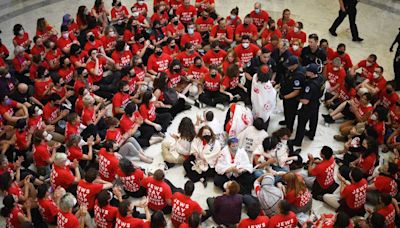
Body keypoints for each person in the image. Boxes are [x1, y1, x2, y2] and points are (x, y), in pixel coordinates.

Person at [290, 63, 324, 147]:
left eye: (307, 71)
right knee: (314, 120)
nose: (306, 72)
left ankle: (297, 141)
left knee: (301, 124)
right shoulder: (321, 78)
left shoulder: (310, 86)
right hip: (316, 103)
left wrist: (297, 99)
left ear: (312, 73)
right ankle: (311, 134)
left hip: (308, 106)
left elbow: (305, 101)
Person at [279, 56, 305, 132]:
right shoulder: (291, 70)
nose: (287, 67)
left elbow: (296, 92)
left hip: (292, 99)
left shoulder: (298, 75)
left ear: (295, 65)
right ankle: (286, 121)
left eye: (289, 65)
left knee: (291, 113)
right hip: (286, 94)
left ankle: (289, 128)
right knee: (286, 111)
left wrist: (285, 97)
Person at [250, 65, 277, 131]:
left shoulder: (254, 77)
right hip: (264, 108)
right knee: (264, 120)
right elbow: (272, 95)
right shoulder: (268, 85)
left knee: (255, 115)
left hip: (256, 103)